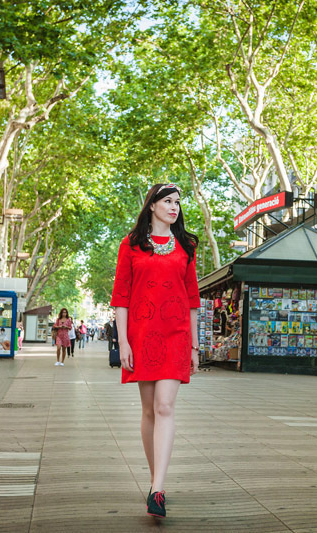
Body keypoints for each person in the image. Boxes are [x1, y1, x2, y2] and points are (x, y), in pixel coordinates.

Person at [111, 183, 200, 518]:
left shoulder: (187, 246)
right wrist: (124, 342)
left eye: (177, 202)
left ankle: (158, 489)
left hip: (176, 336)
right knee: (148, 411)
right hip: (142, 336)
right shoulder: (131, 245)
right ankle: (154, 480)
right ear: (152, 205)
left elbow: (192, 299)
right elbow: (121, 297)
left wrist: (194, 344)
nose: (174, 207)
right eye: (167, 201)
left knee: (165, 407)